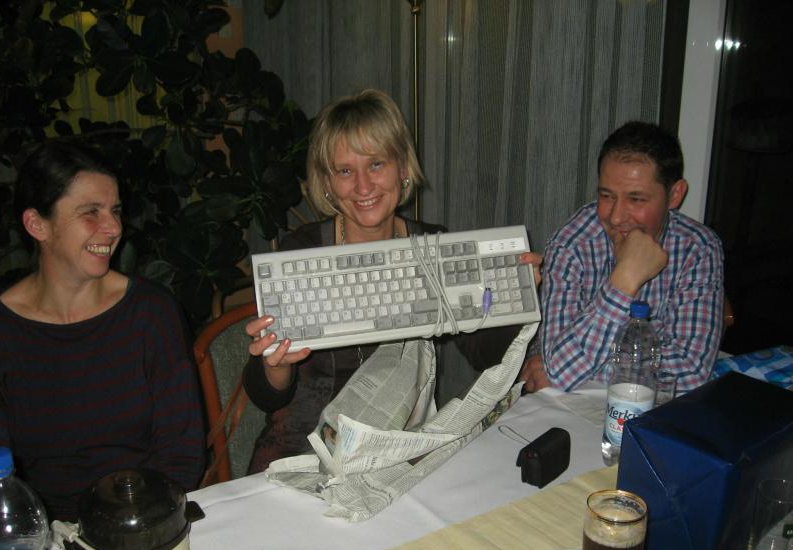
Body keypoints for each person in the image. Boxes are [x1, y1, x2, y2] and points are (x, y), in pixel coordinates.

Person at [244, 89, 540, 473]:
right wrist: (276, 366)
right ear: (327, 183)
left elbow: (483, 354)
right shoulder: (299, 252)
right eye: (345, 171)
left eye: (377, 164)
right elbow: (266, 397)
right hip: (304, 450)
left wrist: (513, 296)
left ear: (403, 168)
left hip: (394, 451)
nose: (363, 186)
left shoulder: (433, 246)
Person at [0, 141, 205, 521]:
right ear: (37, 225)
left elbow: (182, 455)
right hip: (43, 532)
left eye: (115, 211)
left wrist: (131, 527)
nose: (113, 228)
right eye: (91, 212)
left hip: (144, 518)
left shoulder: (151, 313)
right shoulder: (1, 330)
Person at [520, 121, 724, 395]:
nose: (615, 217)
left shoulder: (698, 248)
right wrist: (624, 282)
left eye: (636, 200)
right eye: (606, 195)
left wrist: (589, 367)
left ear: (674, 195)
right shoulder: (572, 243)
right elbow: (561, 370)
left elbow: (690, 375)